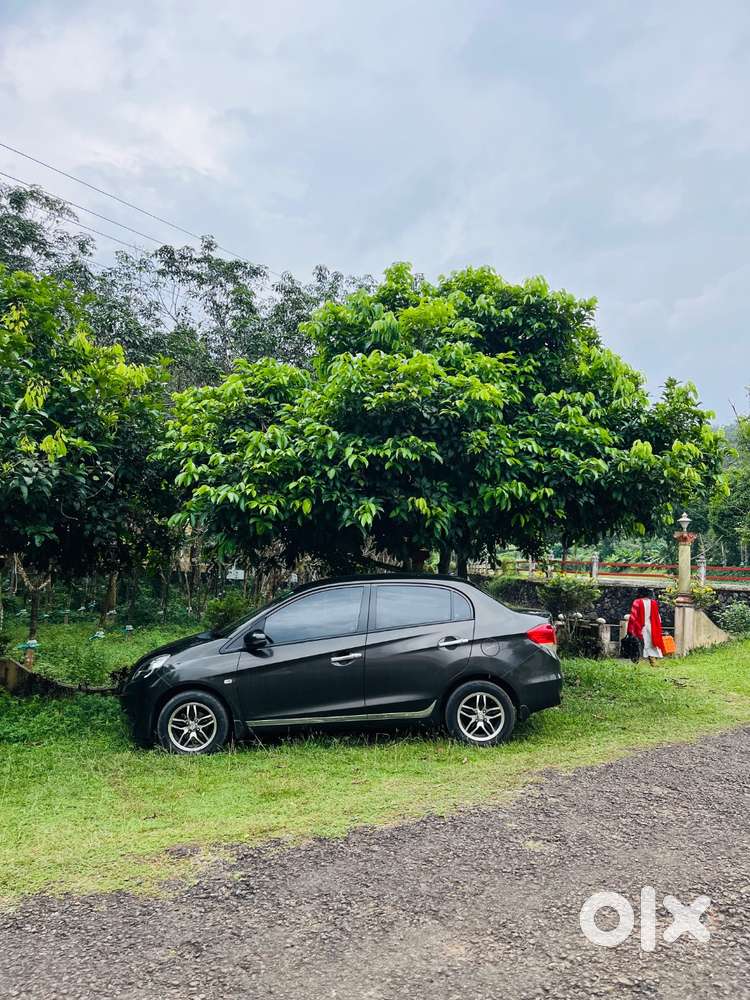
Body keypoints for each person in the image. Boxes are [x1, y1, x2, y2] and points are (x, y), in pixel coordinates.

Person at [627, 587, 666, 665]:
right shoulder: (653, 603)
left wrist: (630, 629)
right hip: (651, 626)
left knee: (638, 644)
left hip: (639, 626)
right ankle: (653, 660)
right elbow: (658, 617)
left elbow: (633, 617)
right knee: (651, 643)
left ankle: (637, 660)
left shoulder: (637, 602)